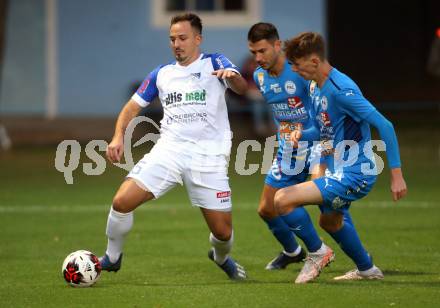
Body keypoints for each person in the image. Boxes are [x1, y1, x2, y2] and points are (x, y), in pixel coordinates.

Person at [99, 13, 248, 280]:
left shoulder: (215, 62)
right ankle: (112, 257)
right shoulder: (162, 74)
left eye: (182, 38)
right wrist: (118, 135)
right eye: (172, 39)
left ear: (197, 39)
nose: (176, 44)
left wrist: (232, 76)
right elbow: (132, 107)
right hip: (169, 151)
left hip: (208, 156)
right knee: (121, 201)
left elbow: (240, 86)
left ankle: (221, 256)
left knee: (223, 233)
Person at [276, 32, 407, 283]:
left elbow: (385, 125)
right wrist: (301, 135)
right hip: (337, 168)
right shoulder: (315, 87)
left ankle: (317, 253)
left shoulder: (341, 90)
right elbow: (324, 130)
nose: (293, 70)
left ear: (314, 61)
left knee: (282, 200)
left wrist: (397, 175)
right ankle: (367, 270)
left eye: (297, 64)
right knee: (330, 221)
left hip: (356, 173)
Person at [247, 23, 334, 271]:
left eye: (262, 51)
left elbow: (324, 104)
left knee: (328, 206)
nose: (258, 58)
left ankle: (357, 259)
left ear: (277, 45)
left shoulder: (299, 70)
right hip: (289, 148)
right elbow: (280, 111)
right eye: (254, 52)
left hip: (317, 144)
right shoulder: (259, 76)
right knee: (266, 209)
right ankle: (293, 251)